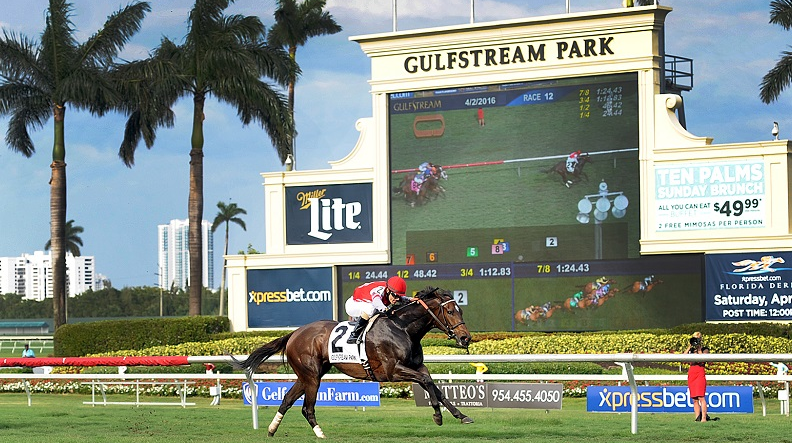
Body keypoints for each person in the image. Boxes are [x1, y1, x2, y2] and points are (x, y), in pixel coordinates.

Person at [345, 276, 409, 344]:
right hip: (352, 304)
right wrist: (386, 309)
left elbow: (399, 297)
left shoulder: (389, 290)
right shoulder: (379, 291)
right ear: (388, 290)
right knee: (371, 309)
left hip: (365, 302)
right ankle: (354, 334)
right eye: (395, 296)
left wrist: (410, 299)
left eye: (399, 297)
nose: (397, 299)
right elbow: (377, 302)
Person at [685, 332, 708, 422]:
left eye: (697, 339)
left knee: (701, 397)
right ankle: (697, 417)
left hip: (700, 373)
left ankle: (704, 418)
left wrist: (699, 349)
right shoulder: (691, 351)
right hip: (692, 374)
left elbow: (703, 360)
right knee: (694, 398)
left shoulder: (705, 349)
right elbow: (683, 358)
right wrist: (689, 347)